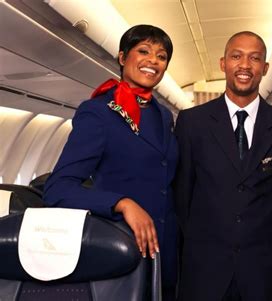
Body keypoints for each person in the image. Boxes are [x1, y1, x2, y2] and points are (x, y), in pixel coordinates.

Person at [43, 25, 178, 300]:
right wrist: (122, 203)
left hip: (168, 256)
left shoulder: (163, 115)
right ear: (122, 57)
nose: (153, 60)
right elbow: (57, 189)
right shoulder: (98, 113)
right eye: (144, 51)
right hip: (123, 251)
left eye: (161, 56)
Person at [174, 31, 272, 301]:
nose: (245, 65)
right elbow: (182, 195)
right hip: (204, 269)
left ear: (265, 68)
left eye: (254, 58)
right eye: (236, 56)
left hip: (261, 271)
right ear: (223, 63)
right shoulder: (191, 123)